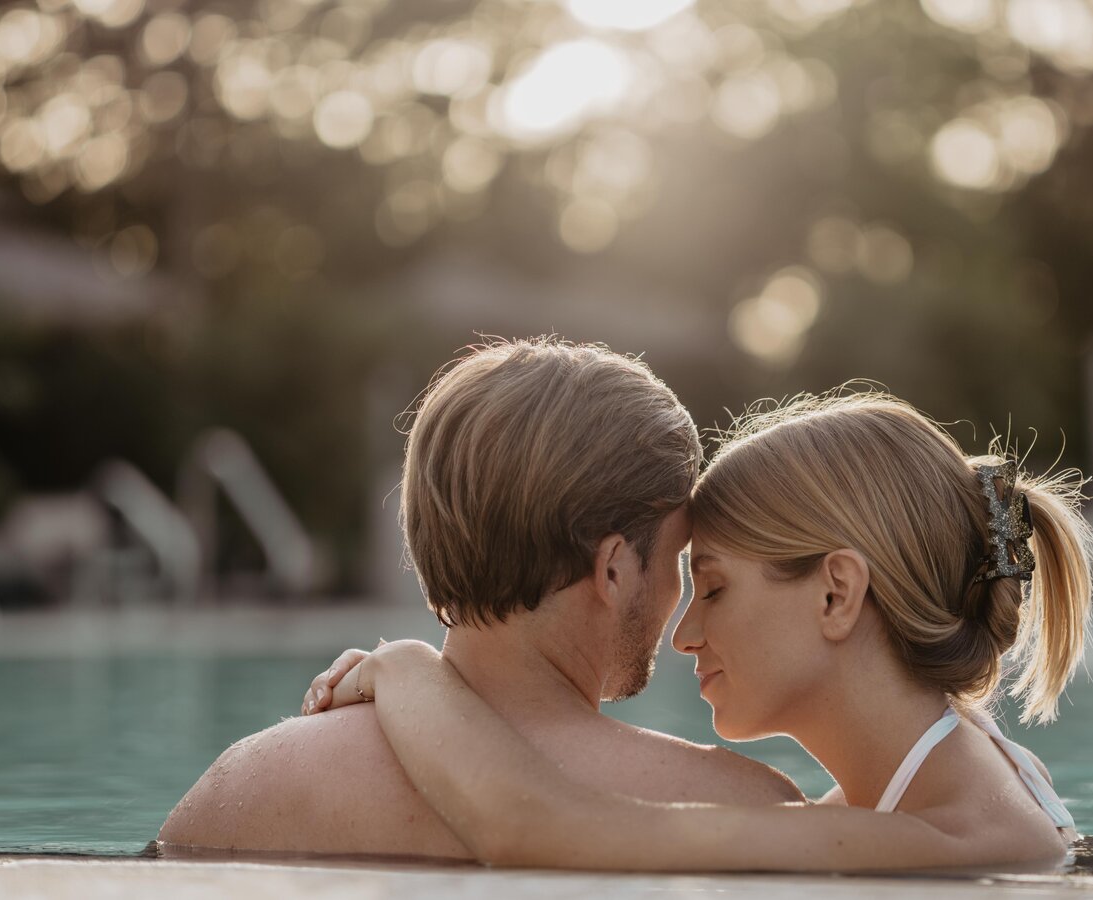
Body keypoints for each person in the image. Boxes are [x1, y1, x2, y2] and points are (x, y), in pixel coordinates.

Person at [308, 393, 1093, 871]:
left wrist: (407, 667)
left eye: (713, 587)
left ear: (836, 594)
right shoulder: (957, 784)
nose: (683, 631)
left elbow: (532, 832)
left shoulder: (948, 839)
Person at [156, 338, 803, 858]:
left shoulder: (243, 783)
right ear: (612, 570)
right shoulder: (738, 810)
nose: (678, 598)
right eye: (678, 559)